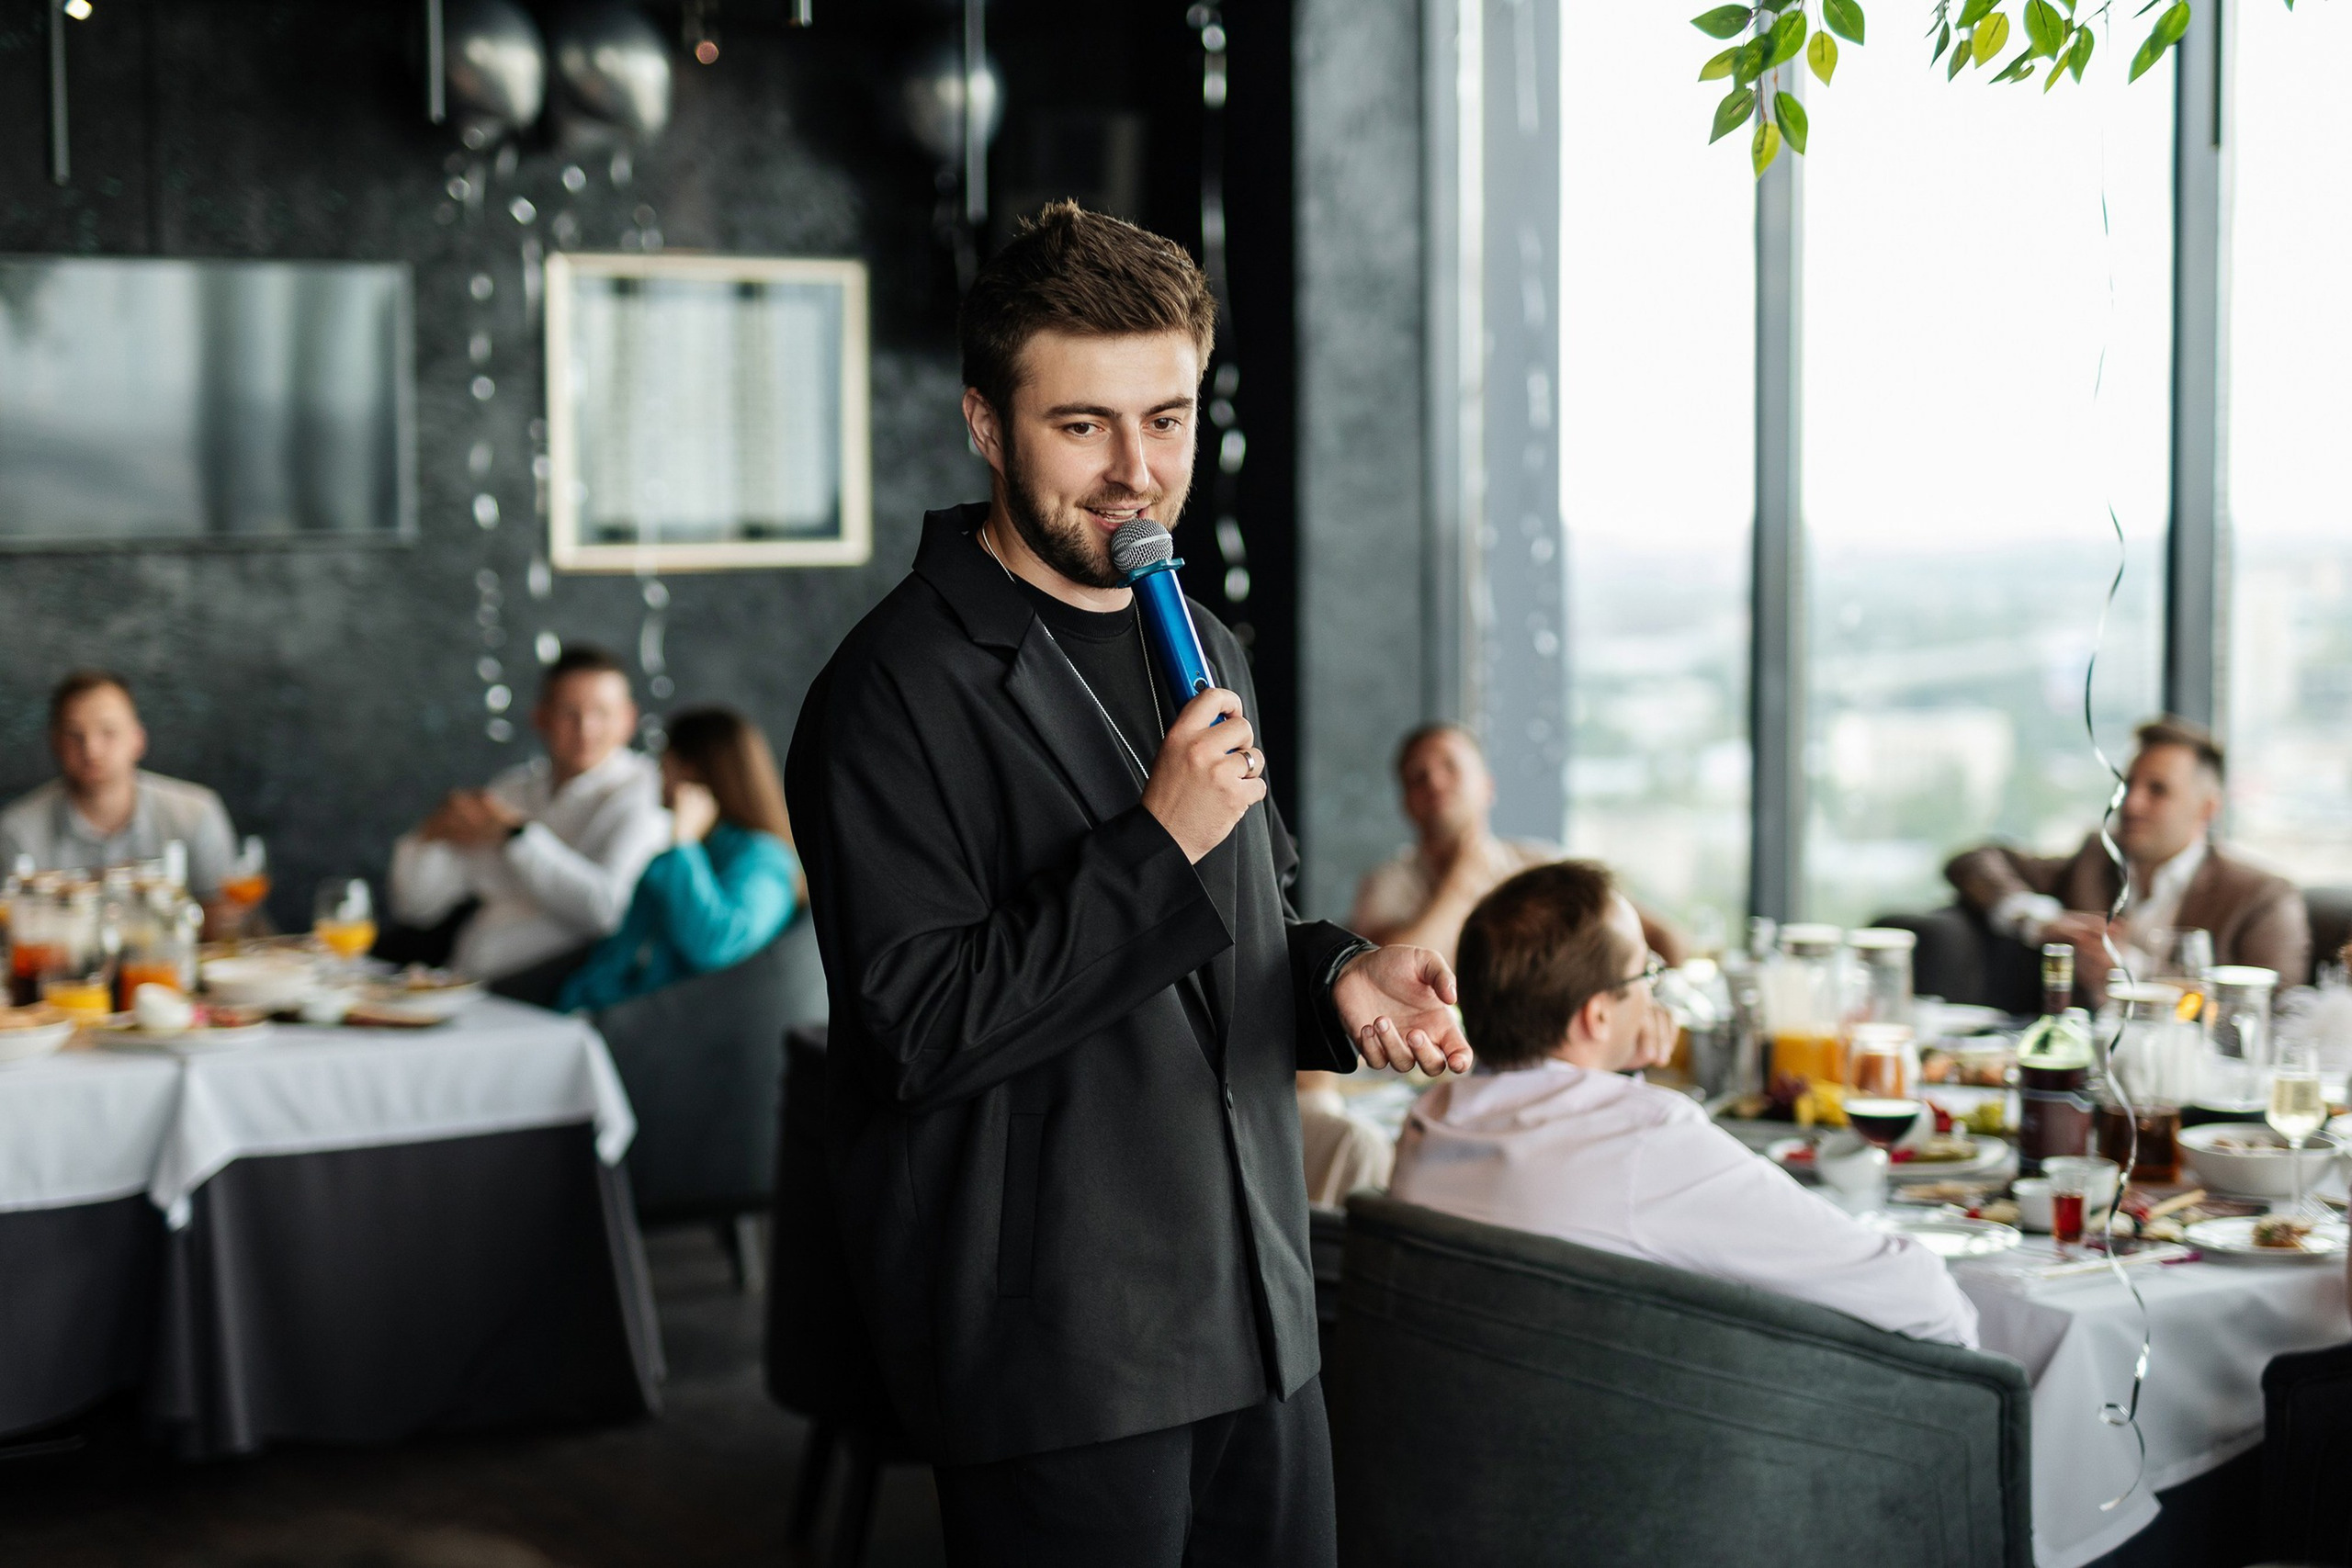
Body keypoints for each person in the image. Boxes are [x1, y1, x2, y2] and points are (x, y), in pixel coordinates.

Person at [786, 201, 1472, 1566]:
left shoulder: (1202, 641)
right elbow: (917, 1031)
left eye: (1165, 419)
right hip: (1064, 1354)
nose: (1135, 473)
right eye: (1082, 425)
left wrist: (1340, 975)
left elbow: (1245, 921)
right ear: (987, 425)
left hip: (1261, 1309)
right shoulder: (888, 693)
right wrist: (1157, 838)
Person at [1389, 860, 1979, 1348]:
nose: (1654, 994)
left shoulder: (1429, 1122)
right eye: (1645, 975)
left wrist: (1622, 1074)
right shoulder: (1644, 1138)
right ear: (1597, 1016)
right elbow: (1922, 1299)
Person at [1945, 716, 2311, 998]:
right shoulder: (2095, 860)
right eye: (2127, 785)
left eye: (2157, 790)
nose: (2131, 804)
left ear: (2208, 809)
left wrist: (2130, 972)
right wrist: (2039, 921)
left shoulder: (2261, 897)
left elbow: (2274, 1011)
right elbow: (1973, 862)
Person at [389, 646, 669, 1000]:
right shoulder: (513, 790)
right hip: (464, 986)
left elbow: (608, 911)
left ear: (629, 719)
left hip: (555, 1001)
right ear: (541, 717)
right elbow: (417, 906)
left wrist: (517, 836)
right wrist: (431, 834)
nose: (585, 728)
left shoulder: (646, 796)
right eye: (569, 712)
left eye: (602, 712)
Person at [1350, 721, 1685, 966]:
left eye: (1450, 767)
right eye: (1418, 776)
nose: (1435, 782)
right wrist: (1461, 883)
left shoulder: (1543, 865)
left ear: (1488, 787)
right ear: (1406, 803)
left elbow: (1663, 937)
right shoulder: (1384, 885)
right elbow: (1385, 971)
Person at [557, 706, 801, 1013]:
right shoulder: (685, 854)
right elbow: (622, 952)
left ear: (690, 769)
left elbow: (717, 945)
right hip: (607, 1011)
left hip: (667, 1026)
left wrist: (685, 843)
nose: (658, 773)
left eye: (665, 762)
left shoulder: (765, 858)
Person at [0, 671, 241, 934]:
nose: (91, 750)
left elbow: (227, 927)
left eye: (109, 732)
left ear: (138, 739)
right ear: (55, 743)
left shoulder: (196, 814)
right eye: (74, 734)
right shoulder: (18, 831)